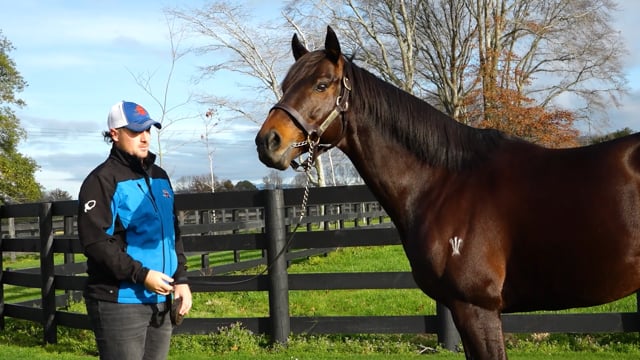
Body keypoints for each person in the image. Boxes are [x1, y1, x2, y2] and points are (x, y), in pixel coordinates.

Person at [77, 100, 192, 360]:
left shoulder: (160, 176)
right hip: (119, 301)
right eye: (136, 131)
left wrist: (181, 279)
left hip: (160, 299)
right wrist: (142, 275)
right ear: (114, 134)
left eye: (148, 130)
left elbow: (172, 233)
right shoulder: (101, 181)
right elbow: (96, 242)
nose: (145, 138)